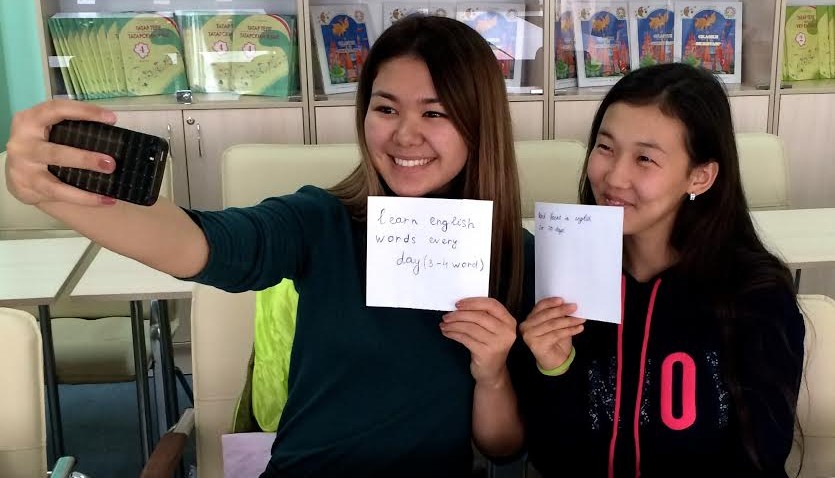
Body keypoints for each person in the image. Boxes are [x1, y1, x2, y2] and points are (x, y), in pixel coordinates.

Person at [4, 15, 533, 477]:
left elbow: (502, 448)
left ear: (478, 123)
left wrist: (491, 373)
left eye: (434, 114)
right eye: (386, 109)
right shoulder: (322, 221)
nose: (404, 136)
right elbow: (205, 244)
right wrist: (54, 193)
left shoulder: (515, 257)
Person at [482, 63, 805, 477]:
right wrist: (555, 369)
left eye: (645, 158)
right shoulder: (560, 280)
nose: (615, 176)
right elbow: (550, 458)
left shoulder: (756, 298)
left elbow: (758, 461)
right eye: (605, 147)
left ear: (700, 176)